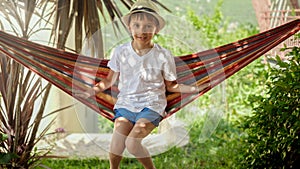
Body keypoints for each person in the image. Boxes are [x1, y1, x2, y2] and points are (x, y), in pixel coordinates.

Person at [77, 0, 209, 168]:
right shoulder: (121, 52)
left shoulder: (163, 55)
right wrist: (89, 92)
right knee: (116, 145)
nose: (142, 31)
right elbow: (109, 80)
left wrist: (194, 89)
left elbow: (171, 86)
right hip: (126, 104)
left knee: (132, 144)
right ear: (130, 27)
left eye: (148, 26)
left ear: (156, 29)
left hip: (152, 105)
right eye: (137, 25)